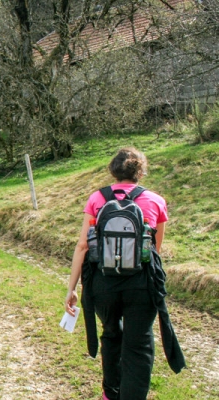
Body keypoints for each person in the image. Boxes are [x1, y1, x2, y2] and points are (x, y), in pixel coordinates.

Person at [64, 147, 168, 400]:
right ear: (139, 172)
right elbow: (155, 249)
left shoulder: (97, 199)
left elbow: (82, 245)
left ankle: (110, 394)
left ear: (113, 171)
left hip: (103, 283)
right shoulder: (155, 200)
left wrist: (72, 288)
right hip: (141, 284)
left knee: (111, 336)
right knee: (139, 344)